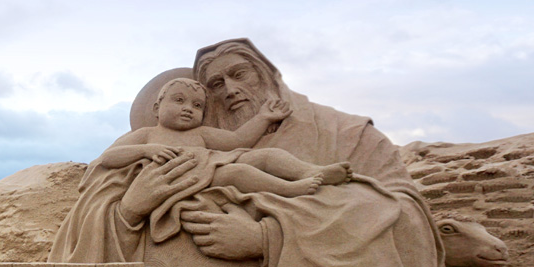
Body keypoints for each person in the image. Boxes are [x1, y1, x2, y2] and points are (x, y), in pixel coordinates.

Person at [49, 39, 443, 267]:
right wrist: (130, 210)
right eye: (216, 86)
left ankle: (302, 180)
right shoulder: (159, 142)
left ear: (268, 75)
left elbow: (407, 219)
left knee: (258, 166)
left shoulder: (349, 135)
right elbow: (82, 226)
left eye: (239, 74)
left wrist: (267, 239)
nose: (230, 91)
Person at [99, 77, 351, 199]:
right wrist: (146, 150)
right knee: (237, 173)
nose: (188, 108)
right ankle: (289, 189)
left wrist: (263, 118)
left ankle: (310, 171)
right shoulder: (146, 135)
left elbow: (237, 141)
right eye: (179, 100)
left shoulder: (201, 133)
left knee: (267, 156)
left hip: (212, 164)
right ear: (156, 108)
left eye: (197, 105)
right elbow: (108, 158)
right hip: (191, 177)